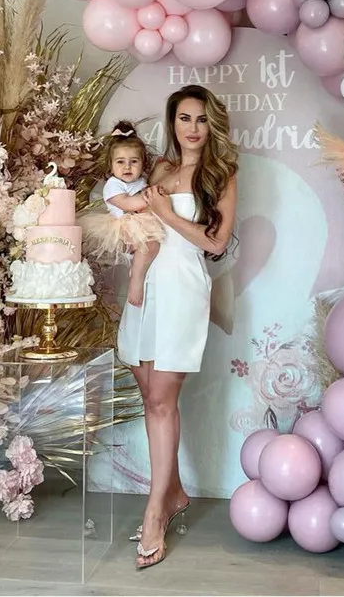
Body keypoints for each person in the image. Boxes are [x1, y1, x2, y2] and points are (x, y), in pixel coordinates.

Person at [117, 85, 238, 570]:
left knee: (164, 399)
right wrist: (133, 236)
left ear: (212, 125)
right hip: (145, 291)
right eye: (185, 118)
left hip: (184, 291)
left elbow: (217, 242)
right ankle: (175, 493)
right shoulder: (159, 170)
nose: (193, 128)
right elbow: (140, 225)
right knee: (152, 398)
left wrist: (166, 213)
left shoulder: (222, 173)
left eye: (201, 119)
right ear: (173, 122)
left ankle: (155, 512)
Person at [80, 121, 165, 307]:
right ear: (111, 166)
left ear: (143, 164)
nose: (127, 167)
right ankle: (136, 279)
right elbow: (127, 204)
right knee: (148, 246)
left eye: (134, 162)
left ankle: (142, 271)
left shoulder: (141, 181)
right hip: (123, 225)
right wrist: (152, 196)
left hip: (140, 221)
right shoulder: (113, 185)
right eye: (120, 162)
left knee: (155, 247)